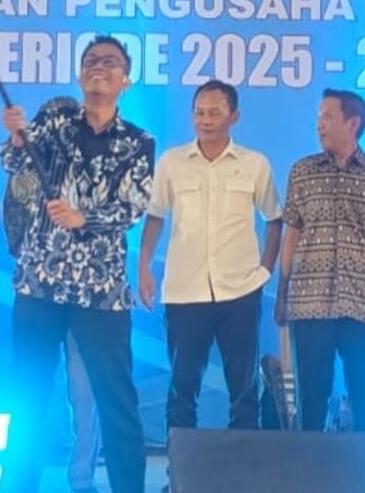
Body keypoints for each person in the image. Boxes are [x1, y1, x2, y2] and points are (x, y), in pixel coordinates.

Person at [0, 36, 154, 493]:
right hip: (40, 281)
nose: (98, 67)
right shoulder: (56, 123)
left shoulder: (138, 141)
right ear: (80, 74)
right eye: (90, 61)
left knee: (115, 398)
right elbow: (15, 162)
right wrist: (16, 135)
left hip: (100, 289)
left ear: (126, 80)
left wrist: (85, 218)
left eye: (110, 62)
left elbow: (133, 205)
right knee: (27, 394)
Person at [138, 79, 282, 433]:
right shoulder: (172, 162)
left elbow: (274, 219)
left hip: (240, 291)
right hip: (185, 292)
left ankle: (244, 466)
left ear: (234, 116)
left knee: (244, 392)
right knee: (182, 391)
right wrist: (144, 266)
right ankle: (181, 466)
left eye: (214, 113)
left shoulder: (254, 164)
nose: (205, 120)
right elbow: (155, 216)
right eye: (199, 112)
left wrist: (265, 270)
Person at [3, 95, 102, 493]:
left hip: (86, 293)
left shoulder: (96, 163)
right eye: (50, 123)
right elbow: (13, 217)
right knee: (29, 389)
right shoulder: (26, 162)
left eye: (66, 123)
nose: (60, 129)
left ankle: (82, 478)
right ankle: (20, 480)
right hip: (36, 290)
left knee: (85, 392)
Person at [275, 88, 365, 432]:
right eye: (318, 117)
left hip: (360, 303)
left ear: (353, 123)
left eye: (328, 117)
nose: (320, 125)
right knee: (311, 397)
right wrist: (281, 293)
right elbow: (291, 235)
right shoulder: (303, 172)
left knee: (362, 393)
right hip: (309, 303)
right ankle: (309, 463)